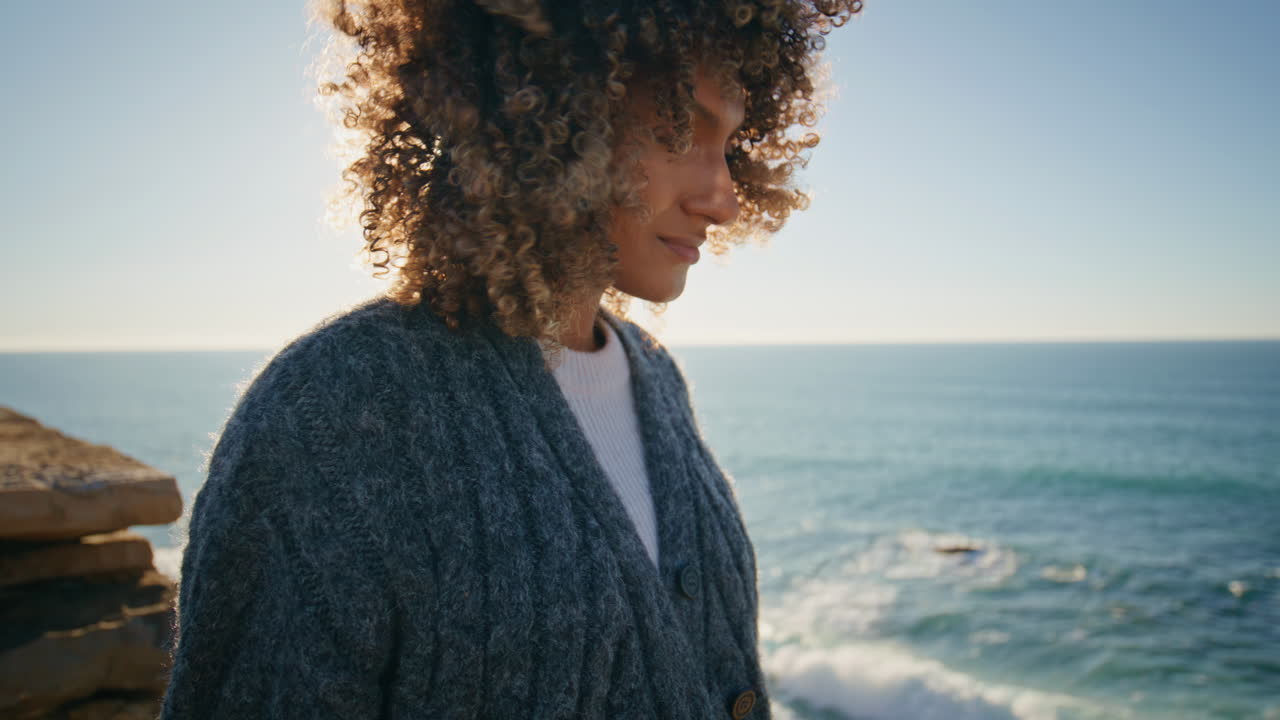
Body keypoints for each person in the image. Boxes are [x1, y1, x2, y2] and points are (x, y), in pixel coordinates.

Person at [160, 1, 860, 718]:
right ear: (544, 116)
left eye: (731, 146)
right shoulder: (331, 412)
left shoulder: (653, 375)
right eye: (677, 132)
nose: (725, 199)